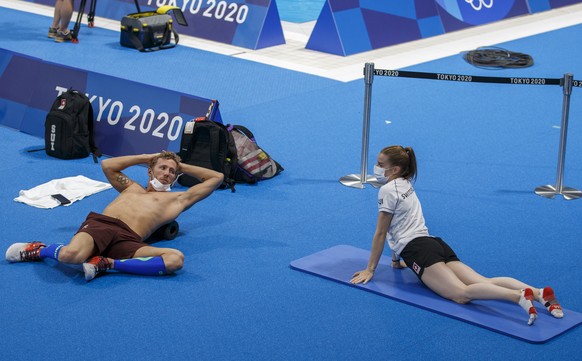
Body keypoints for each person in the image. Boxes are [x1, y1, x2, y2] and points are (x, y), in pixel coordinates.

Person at [350, 145, 563, 326]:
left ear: (394, 169)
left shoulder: (387, 191)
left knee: (461, 293)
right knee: (483, 280)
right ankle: (538, 292)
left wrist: (370, 269)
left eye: (380, 164)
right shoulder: (405, 183)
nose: (376, 168)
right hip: (434, 243)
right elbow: (399, 226)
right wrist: (396, 260)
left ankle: (518, 297)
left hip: (418, 250)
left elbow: (381, 232)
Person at [6, 151, 224, 281]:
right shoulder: (131, 187)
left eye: (172, 172)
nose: (167, 173)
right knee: (70, 256)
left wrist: (180, 165)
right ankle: (39, 249)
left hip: (130, 240)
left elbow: (216, 178)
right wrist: (149, 157)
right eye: (162, 168)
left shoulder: (177, 200)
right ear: (150, 171)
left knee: (175, 260)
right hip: (103, 225)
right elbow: (108, 165)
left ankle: (108, 263)